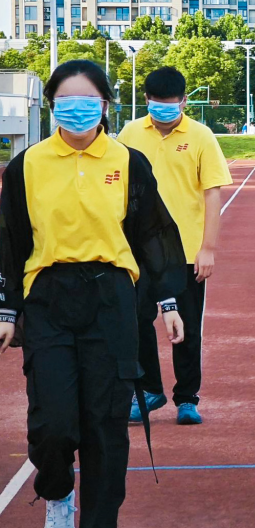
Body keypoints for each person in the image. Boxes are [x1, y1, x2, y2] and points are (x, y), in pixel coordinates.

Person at [0, 60, 187, 528]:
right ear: (51, 106)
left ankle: (100, 520)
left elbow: (152, 234)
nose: (78, 110)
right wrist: (7, 309)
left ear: (105, 105)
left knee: (105, 426)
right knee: (53, 423)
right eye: (66, 101)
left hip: (110, 301)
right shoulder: (27, 165)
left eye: (88, 101)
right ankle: (58, 493)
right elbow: (10, 240)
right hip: (49, 298)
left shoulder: (128, 162)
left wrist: (167, 301)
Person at [118, 67, 234, 426]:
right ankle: (149, 390)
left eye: (170, 104)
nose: (163, 110)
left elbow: (212, 193)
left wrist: (208, 248)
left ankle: (187, 398)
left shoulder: (201, 136)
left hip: (184, 251)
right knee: (136, 322)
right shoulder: (130, 133)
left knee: (187, 328)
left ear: (184, 101)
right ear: (146, 100)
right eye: (156, 103)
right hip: (137, 251)